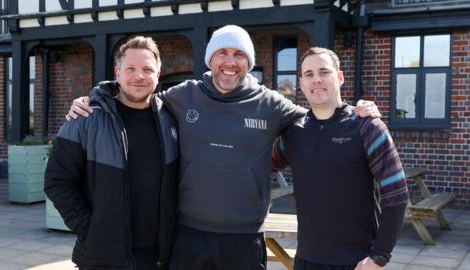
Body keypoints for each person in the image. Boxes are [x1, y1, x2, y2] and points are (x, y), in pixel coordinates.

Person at [66, 25, 381, 270]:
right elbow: (137, 95)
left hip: (244, 239)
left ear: (249, 63)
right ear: (210, 59)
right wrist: (97, 97)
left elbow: (318, 117)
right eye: (223, 53)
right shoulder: (181, 96)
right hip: (187, 233)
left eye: (239, 55)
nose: (230, 62)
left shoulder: (270, 103)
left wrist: (355, 110)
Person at [44, 36, 179, 270]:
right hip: (104, 257)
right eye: (131, 69)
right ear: (117, 73)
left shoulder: (172, 119)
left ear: (158, 75)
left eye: (147, 69)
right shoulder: (85, 119)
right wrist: (90, 229)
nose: (139, 76)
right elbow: (57, 180)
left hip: (161, 257)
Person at [272, 47, 409, 270]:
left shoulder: (367, 127)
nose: (316, 80)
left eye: (324, 72)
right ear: (301, 84)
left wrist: (380, 256)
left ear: (340, 77)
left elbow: (397, 192)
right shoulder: (293, 133)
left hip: (355, 262)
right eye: (309, 75)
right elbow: (260, 167)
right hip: (305, 260)